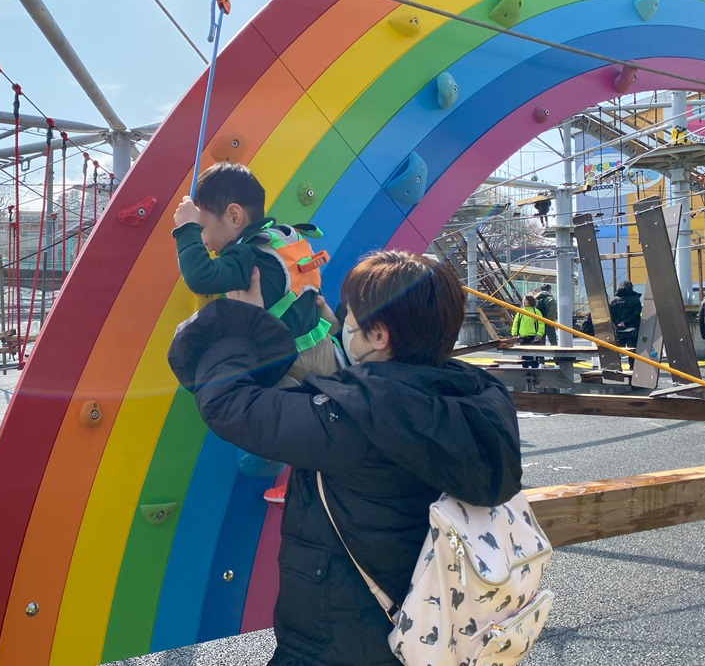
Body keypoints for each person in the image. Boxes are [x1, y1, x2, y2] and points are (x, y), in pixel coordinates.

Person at [167, 251, 521, 666]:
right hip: (433, 625)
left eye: (350, 314)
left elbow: (233, 406)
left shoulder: (353, 418)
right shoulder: (480, 396)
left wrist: (239, 323)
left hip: (342, 637)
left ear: (379, 336)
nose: (343, 319)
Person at [172, 162, 341, 504]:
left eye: (204, 227)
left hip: (293, 366)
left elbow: (200, 276)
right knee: (331, 426)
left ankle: (311, 485)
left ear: (235, 216)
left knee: (289, 426)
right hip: (325, 349)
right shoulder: (283, 239)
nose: (205, 241)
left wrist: (185, 230)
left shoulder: (245, 256)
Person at [511, 294, 545, 368]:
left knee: (533, 356)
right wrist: (514, 333)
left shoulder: (536, 312)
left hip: (533, 336)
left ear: (530, 301)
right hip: (522, 336)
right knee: (524, 357)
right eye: (523, 300)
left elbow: (541, 323)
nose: (523, 302)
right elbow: (515, 323)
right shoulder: (520, 312)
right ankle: (526, 372)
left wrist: (540, 334)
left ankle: (534, 372)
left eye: (525, 300)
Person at [608, 280, 642, 349]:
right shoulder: (636, 299)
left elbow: (610, 314)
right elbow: (636, 314)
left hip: (618, 330)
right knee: (633, 353)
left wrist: (618, 323)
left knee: (618, 352)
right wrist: (625, 322)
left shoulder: (613, 300)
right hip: (633, 329)